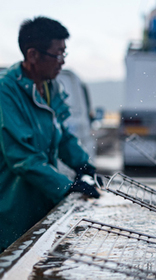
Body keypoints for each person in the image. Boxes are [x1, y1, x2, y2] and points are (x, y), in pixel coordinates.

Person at [0, 16, 102, 253]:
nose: (62, 62)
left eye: (64, 54)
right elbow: (23, 159)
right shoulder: (6, 93)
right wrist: (66, 187)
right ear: (33, 55)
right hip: (11, 207)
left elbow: (62, 134)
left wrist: (84, 166)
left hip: (40, 203)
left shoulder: (50, 86)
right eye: (57, 55)